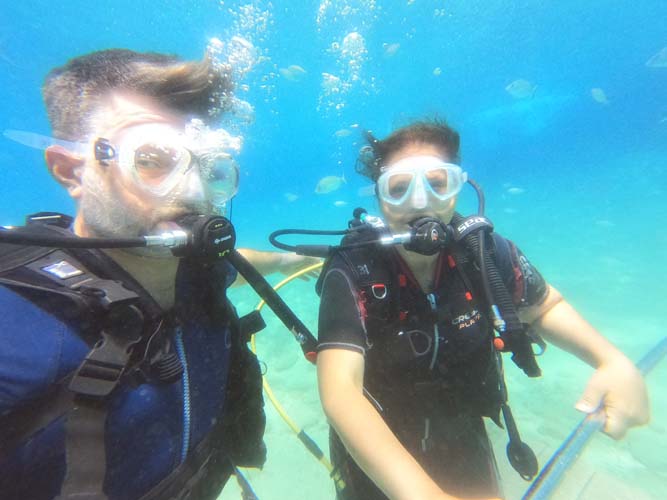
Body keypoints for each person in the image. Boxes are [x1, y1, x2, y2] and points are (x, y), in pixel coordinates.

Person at [0, 49, 315, 500]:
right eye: (151, 160)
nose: (194, 192)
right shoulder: (14, 322)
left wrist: (291, 261)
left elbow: (241, 263)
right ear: (71, 171)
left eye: (208, 167)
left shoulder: (198, 269)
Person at [315, 119, 650, 500]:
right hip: (373, 447)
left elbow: (543, 307)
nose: (420, 201)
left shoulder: (482, 251)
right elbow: (341, 393)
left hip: (462, 431)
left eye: (437, 183)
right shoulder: (354, 268)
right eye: (399, 187)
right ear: (379, 197)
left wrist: (611, 361)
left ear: (458, 188)